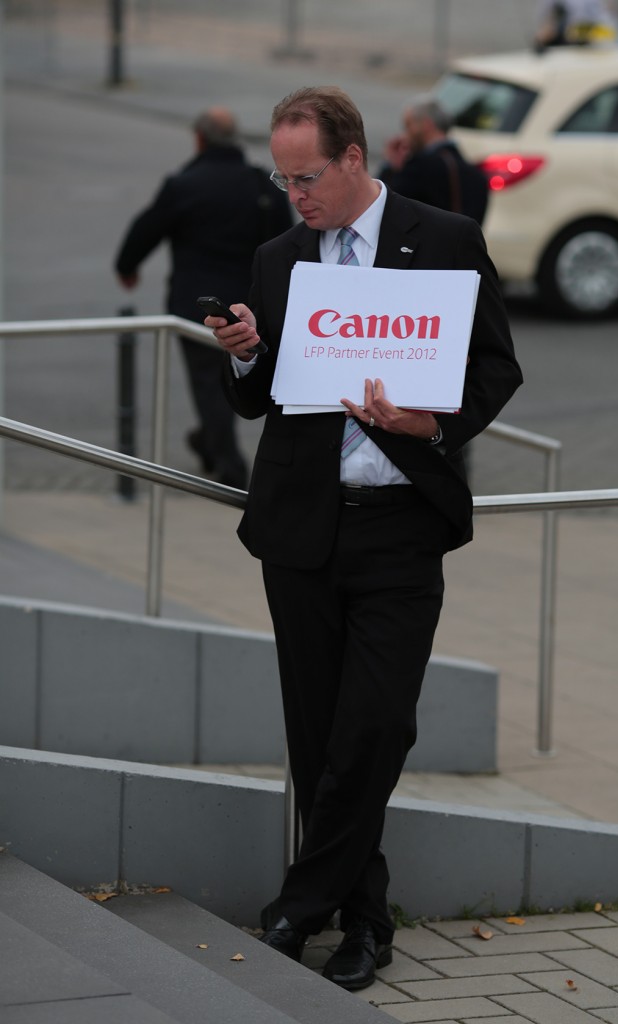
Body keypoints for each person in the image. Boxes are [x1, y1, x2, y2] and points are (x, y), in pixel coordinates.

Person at [205, 86, 523, 991]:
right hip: (302, 526)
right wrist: (242, 352)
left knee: (375, 724)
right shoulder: (278, 256)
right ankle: (361, 923)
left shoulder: (444, 240)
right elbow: (258, 396)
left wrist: (428, 425)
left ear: (353, 160)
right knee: (318, 735)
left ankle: (299, 903)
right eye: (282, 177)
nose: (294, 194)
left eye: (307, 177)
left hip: (399, 528)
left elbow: (496, 366)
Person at [114, 106, 292, 489]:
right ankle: (209, 444)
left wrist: (127, 267)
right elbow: (287, 239)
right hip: (252, 305)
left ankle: (231, 470)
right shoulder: (262, 184)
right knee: (224, 384)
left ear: (199, 139)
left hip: (197, 306)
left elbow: (146, 228)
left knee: (210, 386)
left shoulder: (185, 184)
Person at [377, 94, 489, 226]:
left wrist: (391, 166)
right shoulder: (477, 177)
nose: (404, 134)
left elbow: (381, 204)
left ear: (426, 125)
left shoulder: (418, 169)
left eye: (408, 125)